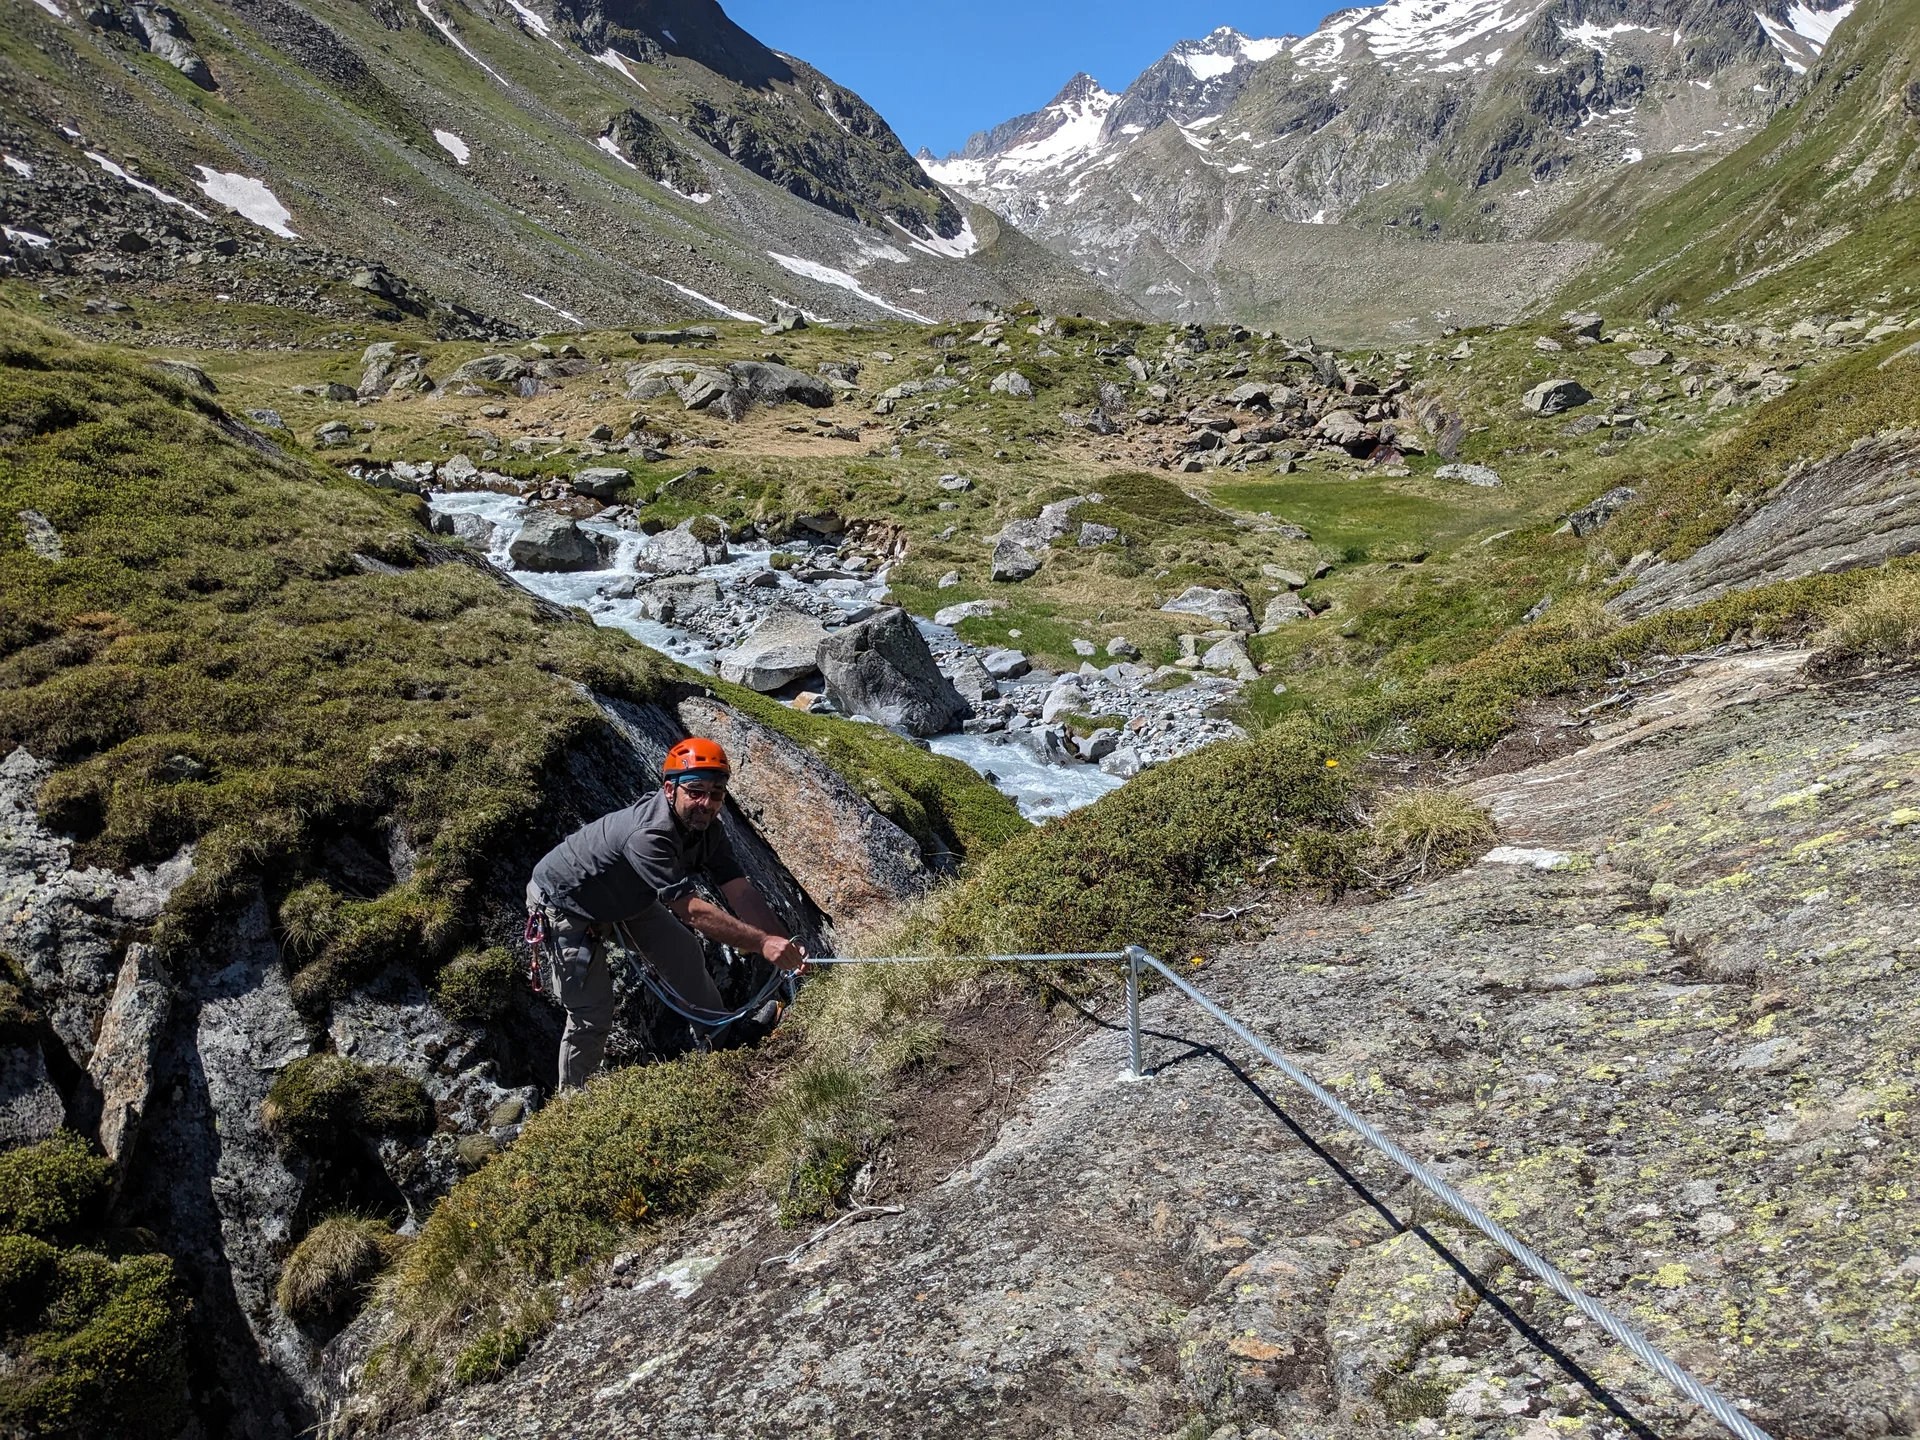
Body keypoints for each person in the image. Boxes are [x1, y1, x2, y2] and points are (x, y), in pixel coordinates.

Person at [525, 737, 807, 1091]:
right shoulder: (649, 834)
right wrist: (763, 943)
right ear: (670, 789)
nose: (706, 803)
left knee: (684, 953)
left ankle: (723, 1042)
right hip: (564, 905)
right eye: (696, 791)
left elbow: (741, 891)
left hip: (625, 895)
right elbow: (691, 910)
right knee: (591, 1014)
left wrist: (785, 943)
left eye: (716, 793)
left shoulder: (709, 831)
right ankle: (572, 1105)